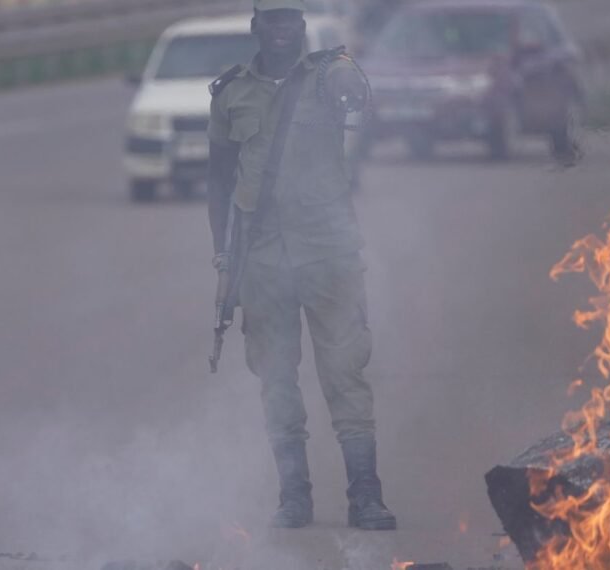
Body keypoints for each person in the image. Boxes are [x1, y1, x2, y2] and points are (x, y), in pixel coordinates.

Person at [206, 0, 396, 531]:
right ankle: (294, 498)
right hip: (263, 257)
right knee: (276, 381)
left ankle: (366, 497)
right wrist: (224, 259)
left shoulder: (326, 74)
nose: (283, 29)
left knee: (345, 375)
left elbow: (360, 100)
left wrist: (349, 79)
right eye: (273, 19)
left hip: (328, 250)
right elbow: (218, 181)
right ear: (256, 26)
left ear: (302, 26)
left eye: (291, 19)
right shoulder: (231, 93)